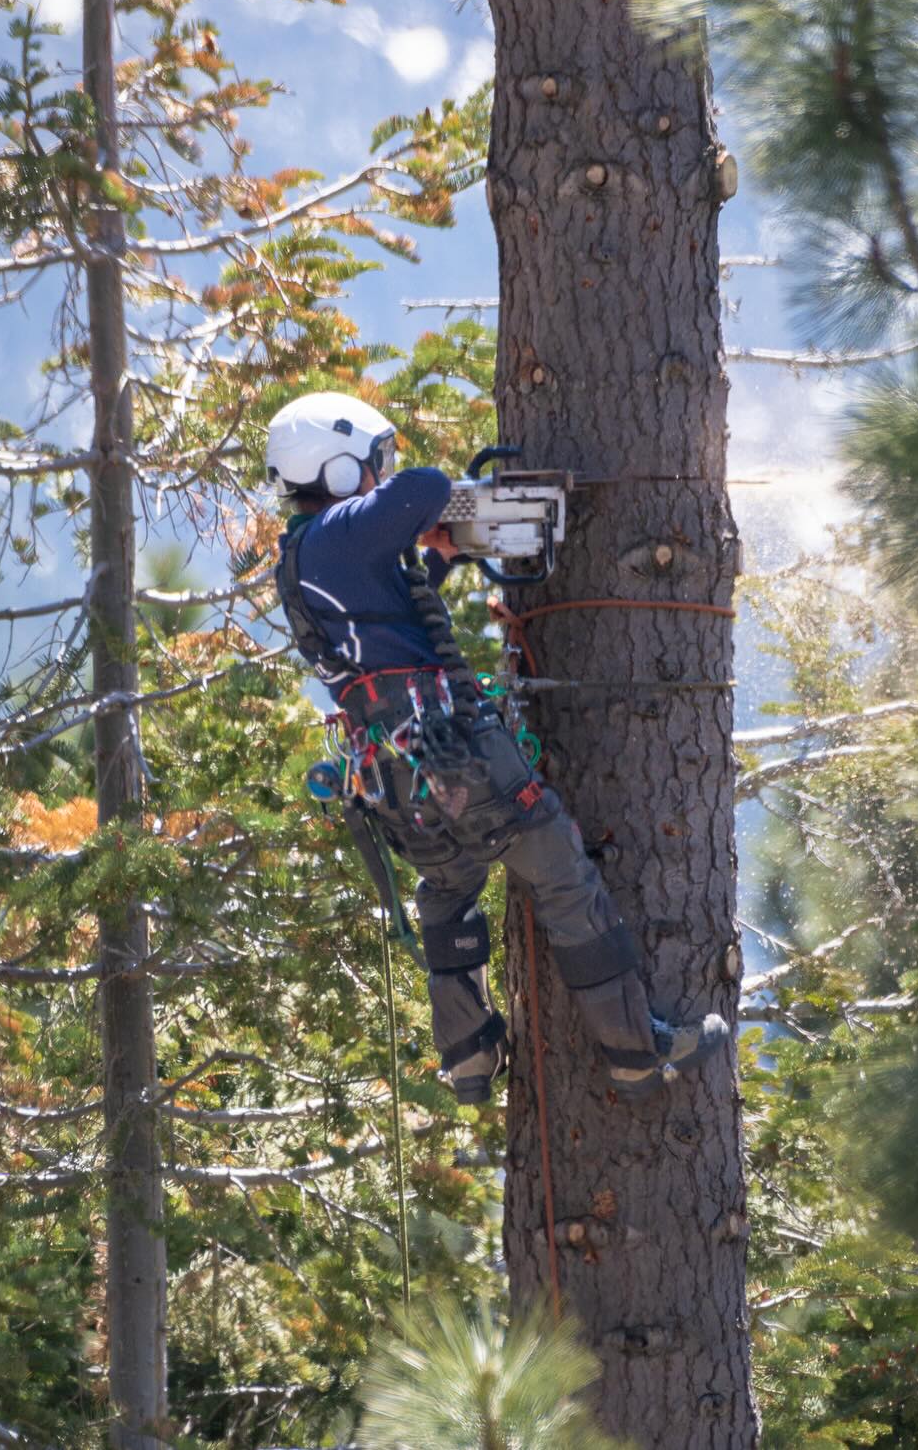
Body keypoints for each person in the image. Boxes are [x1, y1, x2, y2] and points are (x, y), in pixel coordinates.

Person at [267, 391, 724, 1104]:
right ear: (334, 468)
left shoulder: (302, 555)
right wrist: (415, 517)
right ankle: (635, 1048)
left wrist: (430, 561)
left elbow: (385, 625)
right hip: (453, 748)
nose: (380, 477)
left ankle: (471, 1056)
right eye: (369, 465)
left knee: (448, 891)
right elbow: (424, 488)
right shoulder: (339, 531)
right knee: (560, 869)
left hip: (396, 778)